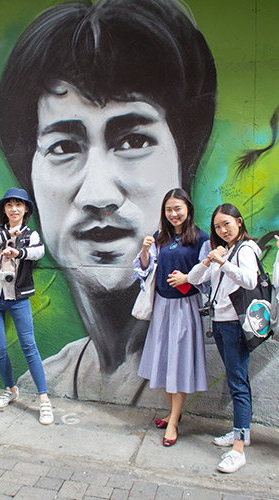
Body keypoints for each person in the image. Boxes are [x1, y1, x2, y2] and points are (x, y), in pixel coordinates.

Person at [0, 0, 217, 401]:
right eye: (63, 146)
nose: (98, 195)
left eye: (133, 141)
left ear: (186, 156)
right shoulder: (46, 381)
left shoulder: (242, 377)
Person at [133, 189, 210, 447]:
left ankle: (174, 421)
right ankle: (173, 413)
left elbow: (208, 273)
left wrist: (187, 278)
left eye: (178, 208)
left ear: (188, 208)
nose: (173, 214)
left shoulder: (200, 238)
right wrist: (145, 250)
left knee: (179, 362)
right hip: (163, 306)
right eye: (169, 209)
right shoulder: (160, 237)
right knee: (166, 361)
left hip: (185, 306)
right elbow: (144, 270)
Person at [0, 188, 54, 425]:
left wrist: (18, 250)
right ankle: (10, 388)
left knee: (29, 345)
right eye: (9, 205)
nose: (14, 209)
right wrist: (4, 236)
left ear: (26, 209)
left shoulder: (32, 234)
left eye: (19, 205)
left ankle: (43, 399)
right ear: (4, 209)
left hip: (18, 299)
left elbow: (39, 252)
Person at [188, 204, 260, 473]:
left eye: (227, 224)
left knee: (238, 383)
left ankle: (238, 449)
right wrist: (208, 260)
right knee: (237, 379)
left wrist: (223, 263)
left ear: (239, 222)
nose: (223, 230)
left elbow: (250, 281)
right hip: (219, 323)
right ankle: (243, 431)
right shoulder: (223, 251)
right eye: (218, 226)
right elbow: (195, 278)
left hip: (234, 326)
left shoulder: (246, 250)